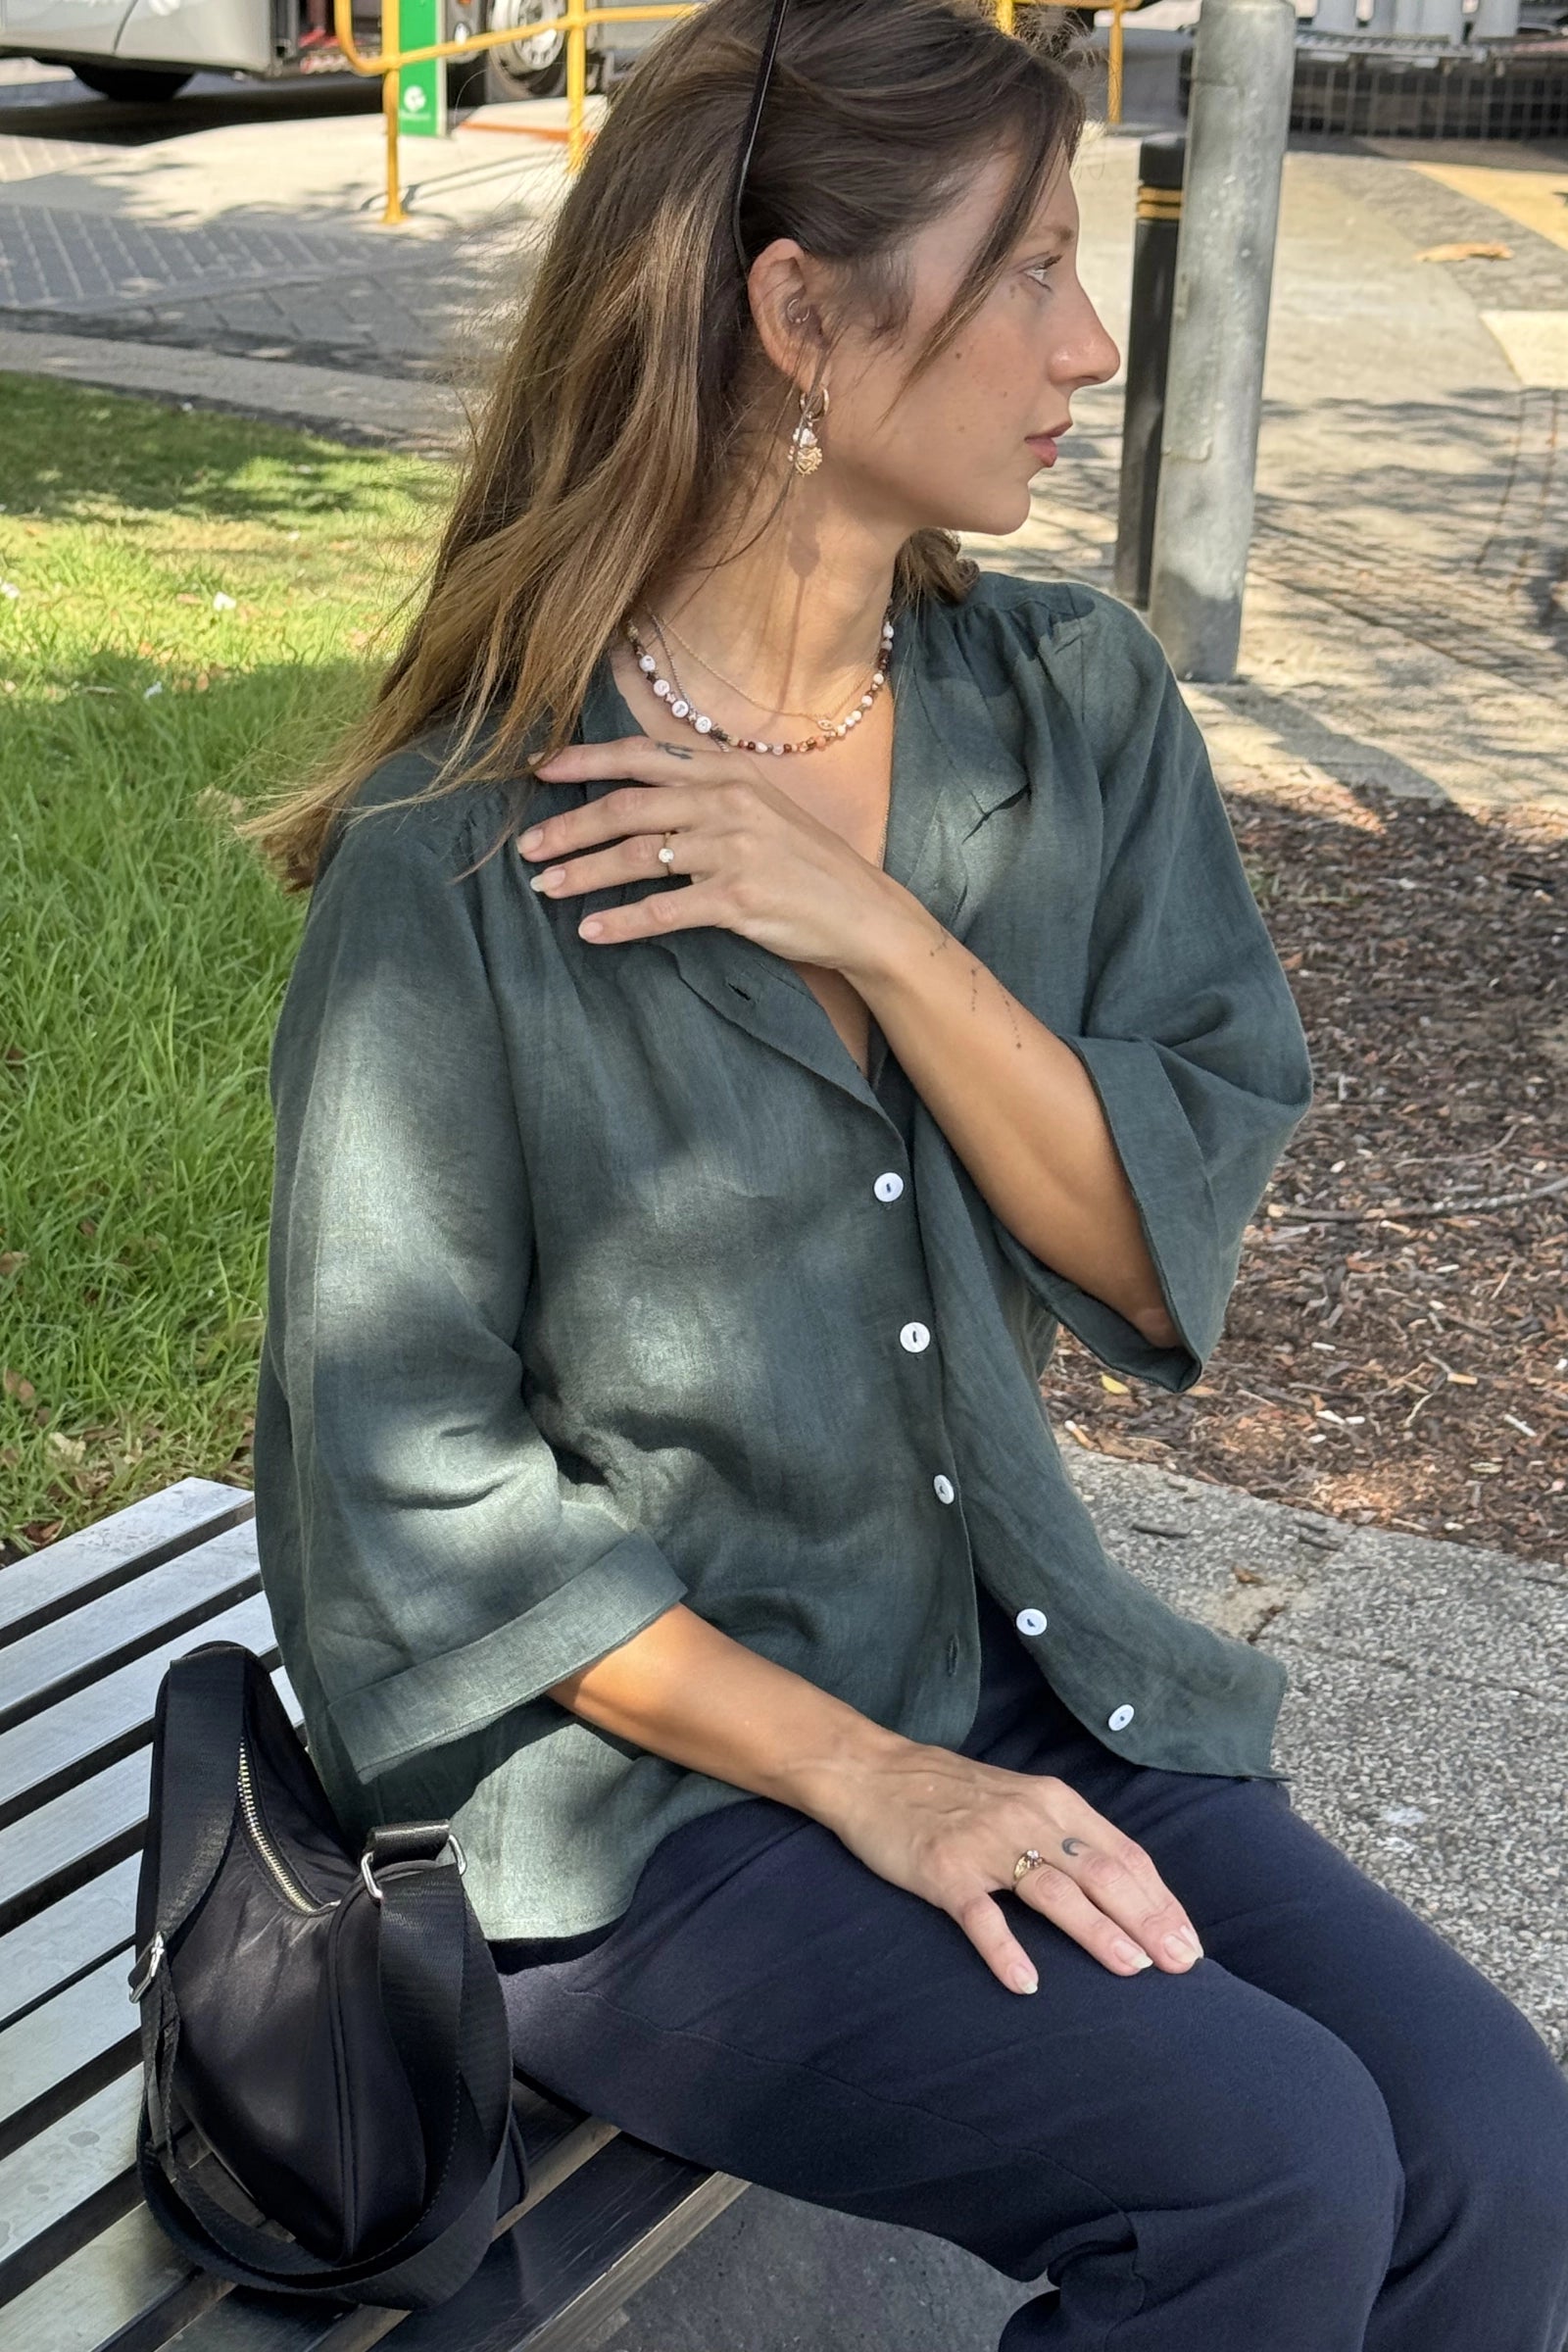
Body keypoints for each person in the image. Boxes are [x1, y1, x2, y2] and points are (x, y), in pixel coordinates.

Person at [239, 1, 1568, 2344]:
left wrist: (877, 929)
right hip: (626, 1804)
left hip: (1007, 1674)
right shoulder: (463, 862)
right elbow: (400, 1487)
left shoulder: (1066, 708)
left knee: (1488, 2150)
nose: (1082, 344)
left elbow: (1154, 1229)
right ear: (794, 319)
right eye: (1028, 267)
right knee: (1257, 2170)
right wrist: (865, 1779)